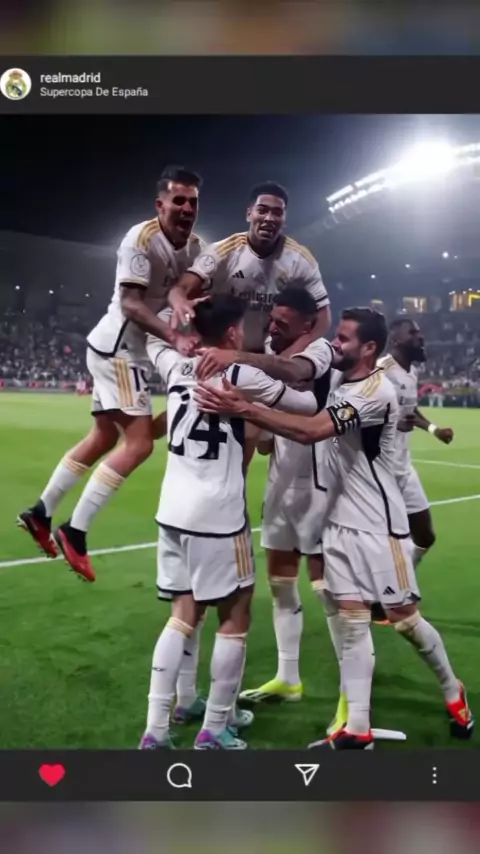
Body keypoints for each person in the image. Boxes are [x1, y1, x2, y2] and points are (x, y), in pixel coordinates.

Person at [194, 307, 474, 749]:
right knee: (353, 623)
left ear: (368, 348)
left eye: (344, 339)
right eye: (336, 336)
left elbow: (311, 431)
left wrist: (244, 407)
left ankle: (452, 688)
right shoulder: (342, 379)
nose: (335, 344)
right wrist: (247, 362)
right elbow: (294, 372)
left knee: (404, 620)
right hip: (339, 523)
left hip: (380, 527)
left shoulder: (375, 392)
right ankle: (358, 728)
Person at [140, 295, 320, 750]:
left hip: (171, 510)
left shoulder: (175, 364)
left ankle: (157, 729)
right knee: (236, 614)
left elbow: (152, 332)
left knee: (182, 616)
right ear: (234, 333)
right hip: (218, 515)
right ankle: (216, 727)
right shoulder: (241, 373)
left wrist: (180, 306)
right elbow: (305, 404)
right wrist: (249, 396)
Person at [17, 166, 204, 582]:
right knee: (139, 445)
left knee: (103, 438)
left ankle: (41, 513)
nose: (187, 208)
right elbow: (132, 303)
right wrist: (175, 336)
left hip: (121, 352)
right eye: (178, 200)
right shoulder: (140, 239)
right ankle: (76, 531)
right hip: (120, 351)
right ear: (160, 204)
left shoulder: (196, 248)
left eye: (193, 201)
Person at [234, 288, 336, 713]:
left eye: (283, 322)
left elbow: (298, 379)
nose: (273, 327)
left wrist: (243, 362)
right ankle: (288, 678)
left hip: (320, 487)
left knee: (329, 590)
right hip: (281, 485)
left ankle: (353, 692)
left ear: (308, 325)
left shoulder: (320, 351)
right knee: (280, 584)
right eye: (272, 320)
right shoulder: (271, 357)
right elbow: (264, 444)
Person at [167, 181, 331, 354]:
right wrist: (180, 302)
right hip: (221, 350)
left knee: (321, 349)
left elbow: (323, 316)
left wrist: (292, 352)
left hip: (266, 353)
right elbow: (180, 289)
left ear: (284, 219)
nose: (269, 218)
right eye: (262, 210)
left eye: (277, 213)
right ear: (249, 214)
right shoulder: (222, 252)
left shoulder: (300, 259)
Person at [378, 318, 454, 571]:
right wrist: (392, 422)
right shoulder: (381, 370)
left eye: (419, 332)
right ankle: (390, 587)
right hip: (379, 469)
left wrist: (434, 429)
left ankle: (400, 578)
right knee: (387, 540)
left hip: (403, 468)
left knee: (425, 537)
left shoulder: (412, 372)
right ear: (396, 339)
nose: (420, 337)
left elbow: (410, 410)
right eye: (412, 333)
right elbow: (360, 408)